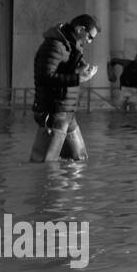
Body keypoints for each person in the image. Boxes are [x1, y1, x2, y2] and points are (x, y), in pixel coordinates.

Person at [30, 14, 100, 162]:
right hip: (53, 112)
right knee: (43, 164)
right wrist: (78, 78)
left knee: (79, 161)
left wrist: (80, 70)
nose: (90, 41)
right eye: (90, 37)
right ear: (81, 29)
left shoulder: (71, 45)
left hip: (67, 112)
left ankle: (64, 184)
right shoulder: (54, 45)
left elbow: (63, 72)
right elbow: (45, 77)